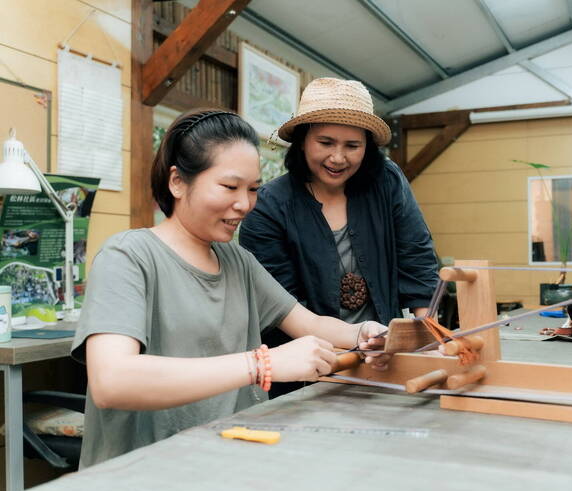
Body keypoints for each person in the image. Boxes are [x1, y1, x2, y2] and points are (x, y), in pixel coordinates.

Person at [71, 109, 387, 468]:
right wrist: (262, 363)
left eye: (253, 189)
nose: (245, 204)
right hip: (142, 478)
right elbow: (112, 381)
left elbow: (311, 325)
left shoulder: (238, 262)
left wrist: (364, 332)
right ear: (177, 182)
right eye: (229, 187)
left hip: (230, 465)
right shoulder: (128, 256)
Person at [239, 78, 439, 383]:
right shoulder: (268, 207)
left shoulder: (386, 182)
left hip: (384, 357)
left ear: (367, 148)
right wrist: (351, 344)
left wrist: (429, 337)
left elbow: (416, 256)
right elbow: (281, 305)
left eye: (352, 146)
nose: (337, 157)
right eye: (326, 142)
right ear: (303, 140)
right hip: (306, 368)